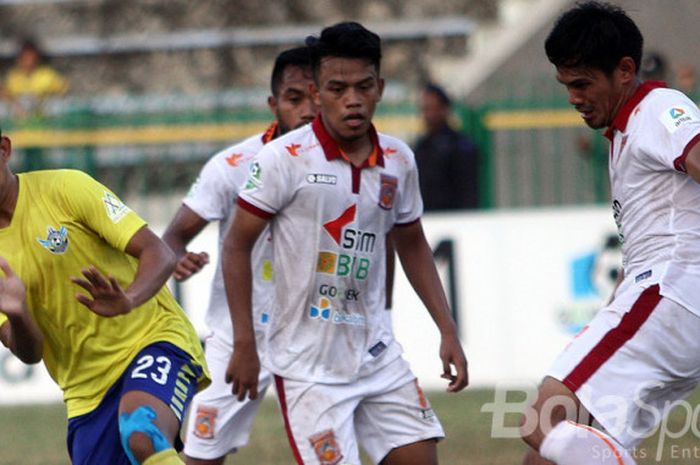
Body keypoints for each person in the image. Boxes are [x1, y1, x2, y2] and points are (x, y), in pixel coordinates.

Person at [222, 21, 468, 465]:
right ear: (316, 93)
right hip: (307, 369)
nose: (352, 100)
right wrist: (244, 343)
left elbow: (411, 244)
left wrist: (446, 328)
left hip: (376, 354)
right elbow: (236, 245)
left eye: (363, 86)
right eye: (337, 88)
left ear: (381, 88)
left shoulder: (398, 160)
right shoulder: (282, 160)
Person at [520, 2, 700, 465]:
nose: (574, 98)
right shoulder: (624, 134)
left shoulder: (658, 108)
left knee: (543, 422)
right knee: (554, 455)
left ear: (624, 70)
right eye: (567, 86)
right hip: (668, 300)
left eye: (582, 84)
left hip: (670, 294)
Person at [0, 130, 210, 465]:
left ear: (5, 148)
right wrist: (20, 314)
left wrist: (129, 298)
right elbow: (30, 353)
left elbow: (159, 252)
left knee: (142, 431)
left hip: (153, 339)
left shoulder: (65, 188)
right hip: (86, 391)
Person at [161, 46, 317, 465]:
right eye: (293, 98)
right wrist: (176, 257)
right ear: (274, 104)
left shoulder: (348, 166)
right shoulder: (232, 165)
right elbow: (173, 237)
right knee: (201, 456)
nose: (306, 111)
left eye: (315, 98)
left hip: (316, 332)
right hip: (237, 335)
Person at [413, 83, 479, 211]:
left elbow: (468, 191)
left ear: (444, 109)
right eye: (425, 109)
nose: (428, 115)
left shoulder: (461, 145)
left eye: (433, 108)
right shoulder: (422, 146)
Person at [1, 37, 69, 118]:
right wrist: (15, 104)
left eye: (31, 57)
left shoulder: (47, 75)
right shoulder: (13, 77)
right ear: (20, 59)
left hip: (44, 112)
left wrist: (44, 99)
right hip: (19, 114)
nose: (29, 61)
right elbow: (4, 92)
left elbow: (63, 92)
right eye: (26, 58)